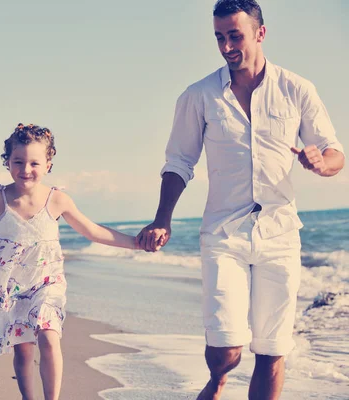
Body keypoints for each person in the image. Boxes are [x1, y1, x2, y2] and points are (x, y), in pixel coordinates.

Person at [136, 1, 345, 399]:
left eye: (236, 35)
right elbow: (179, 162)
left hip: (280, 235)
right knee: (226, 349)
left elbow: (335, 153)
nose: (227, 46)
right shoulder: (199, 96)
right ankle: (218, 380)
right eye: (220, 37)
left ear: (260, 33)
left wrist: (321, 163)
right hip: (223, 235)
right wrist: (162, 218)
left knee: (272, 349)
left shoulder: (297, 89)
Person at [0, 123, 137, 400]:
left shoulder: (57, 200)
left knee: (49, 336)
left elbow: (93, 231)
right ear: (7, 162)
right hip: (12, 288)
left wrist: (136, 243)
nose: (26, 169)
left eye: (34, 163)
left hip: (47, 284)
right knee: (23, 349)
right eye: (18, 161)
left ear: (48, 164)